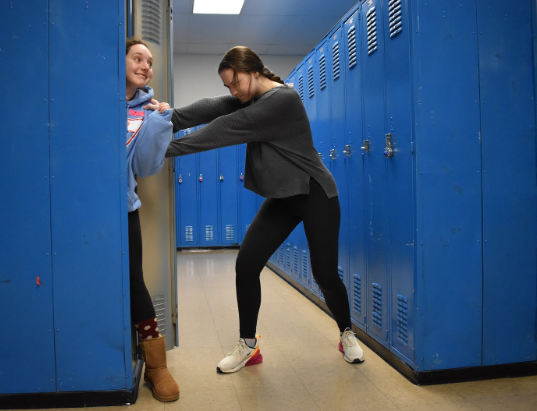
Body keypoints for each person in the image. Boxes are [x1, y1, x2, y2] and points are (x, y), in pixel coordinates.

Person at [160, 46, 365, 374]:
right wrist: (167, 118)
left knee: (325, 274)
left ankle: (347, 333)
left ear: (254, 72)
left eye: (236, 82)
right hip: (284, 197)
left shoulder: (282, 100)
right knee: (247, 264)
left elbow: (225, 128)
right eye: (228, 86)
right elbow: (212, 107)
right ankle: (248, 346)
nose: (233, 91)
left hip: (315, 194)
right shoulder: (250, 96)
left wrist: (165, 149)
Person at [125, 37, 179, 401]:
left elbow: (144, 167)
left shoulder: (147, 111)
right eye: (137, 58)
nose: (145, 65)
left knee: (133, 279)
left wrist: (160, 122)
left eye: (150, 61)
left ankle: (156, 367)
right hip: (82, 206)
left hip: (123, 206)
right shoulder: (94, 97)